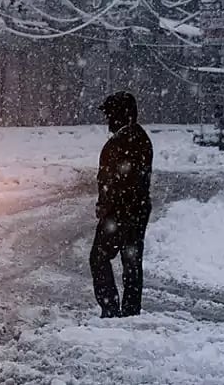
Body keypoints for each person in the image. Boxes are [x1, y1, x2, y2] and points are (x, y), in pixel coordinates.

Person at [90, 91, 153, 318]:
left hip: (118, 213)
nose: (107, 121)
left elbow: (108, 182)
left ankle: (110, 308)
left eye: (109, 115)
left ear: (118, 115)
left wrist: (104, 207)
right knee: (132, 261)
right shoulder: (142, 139)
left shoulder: (117, 144)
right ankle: (130, 310)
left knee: (99, 257)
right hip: (138, 210)